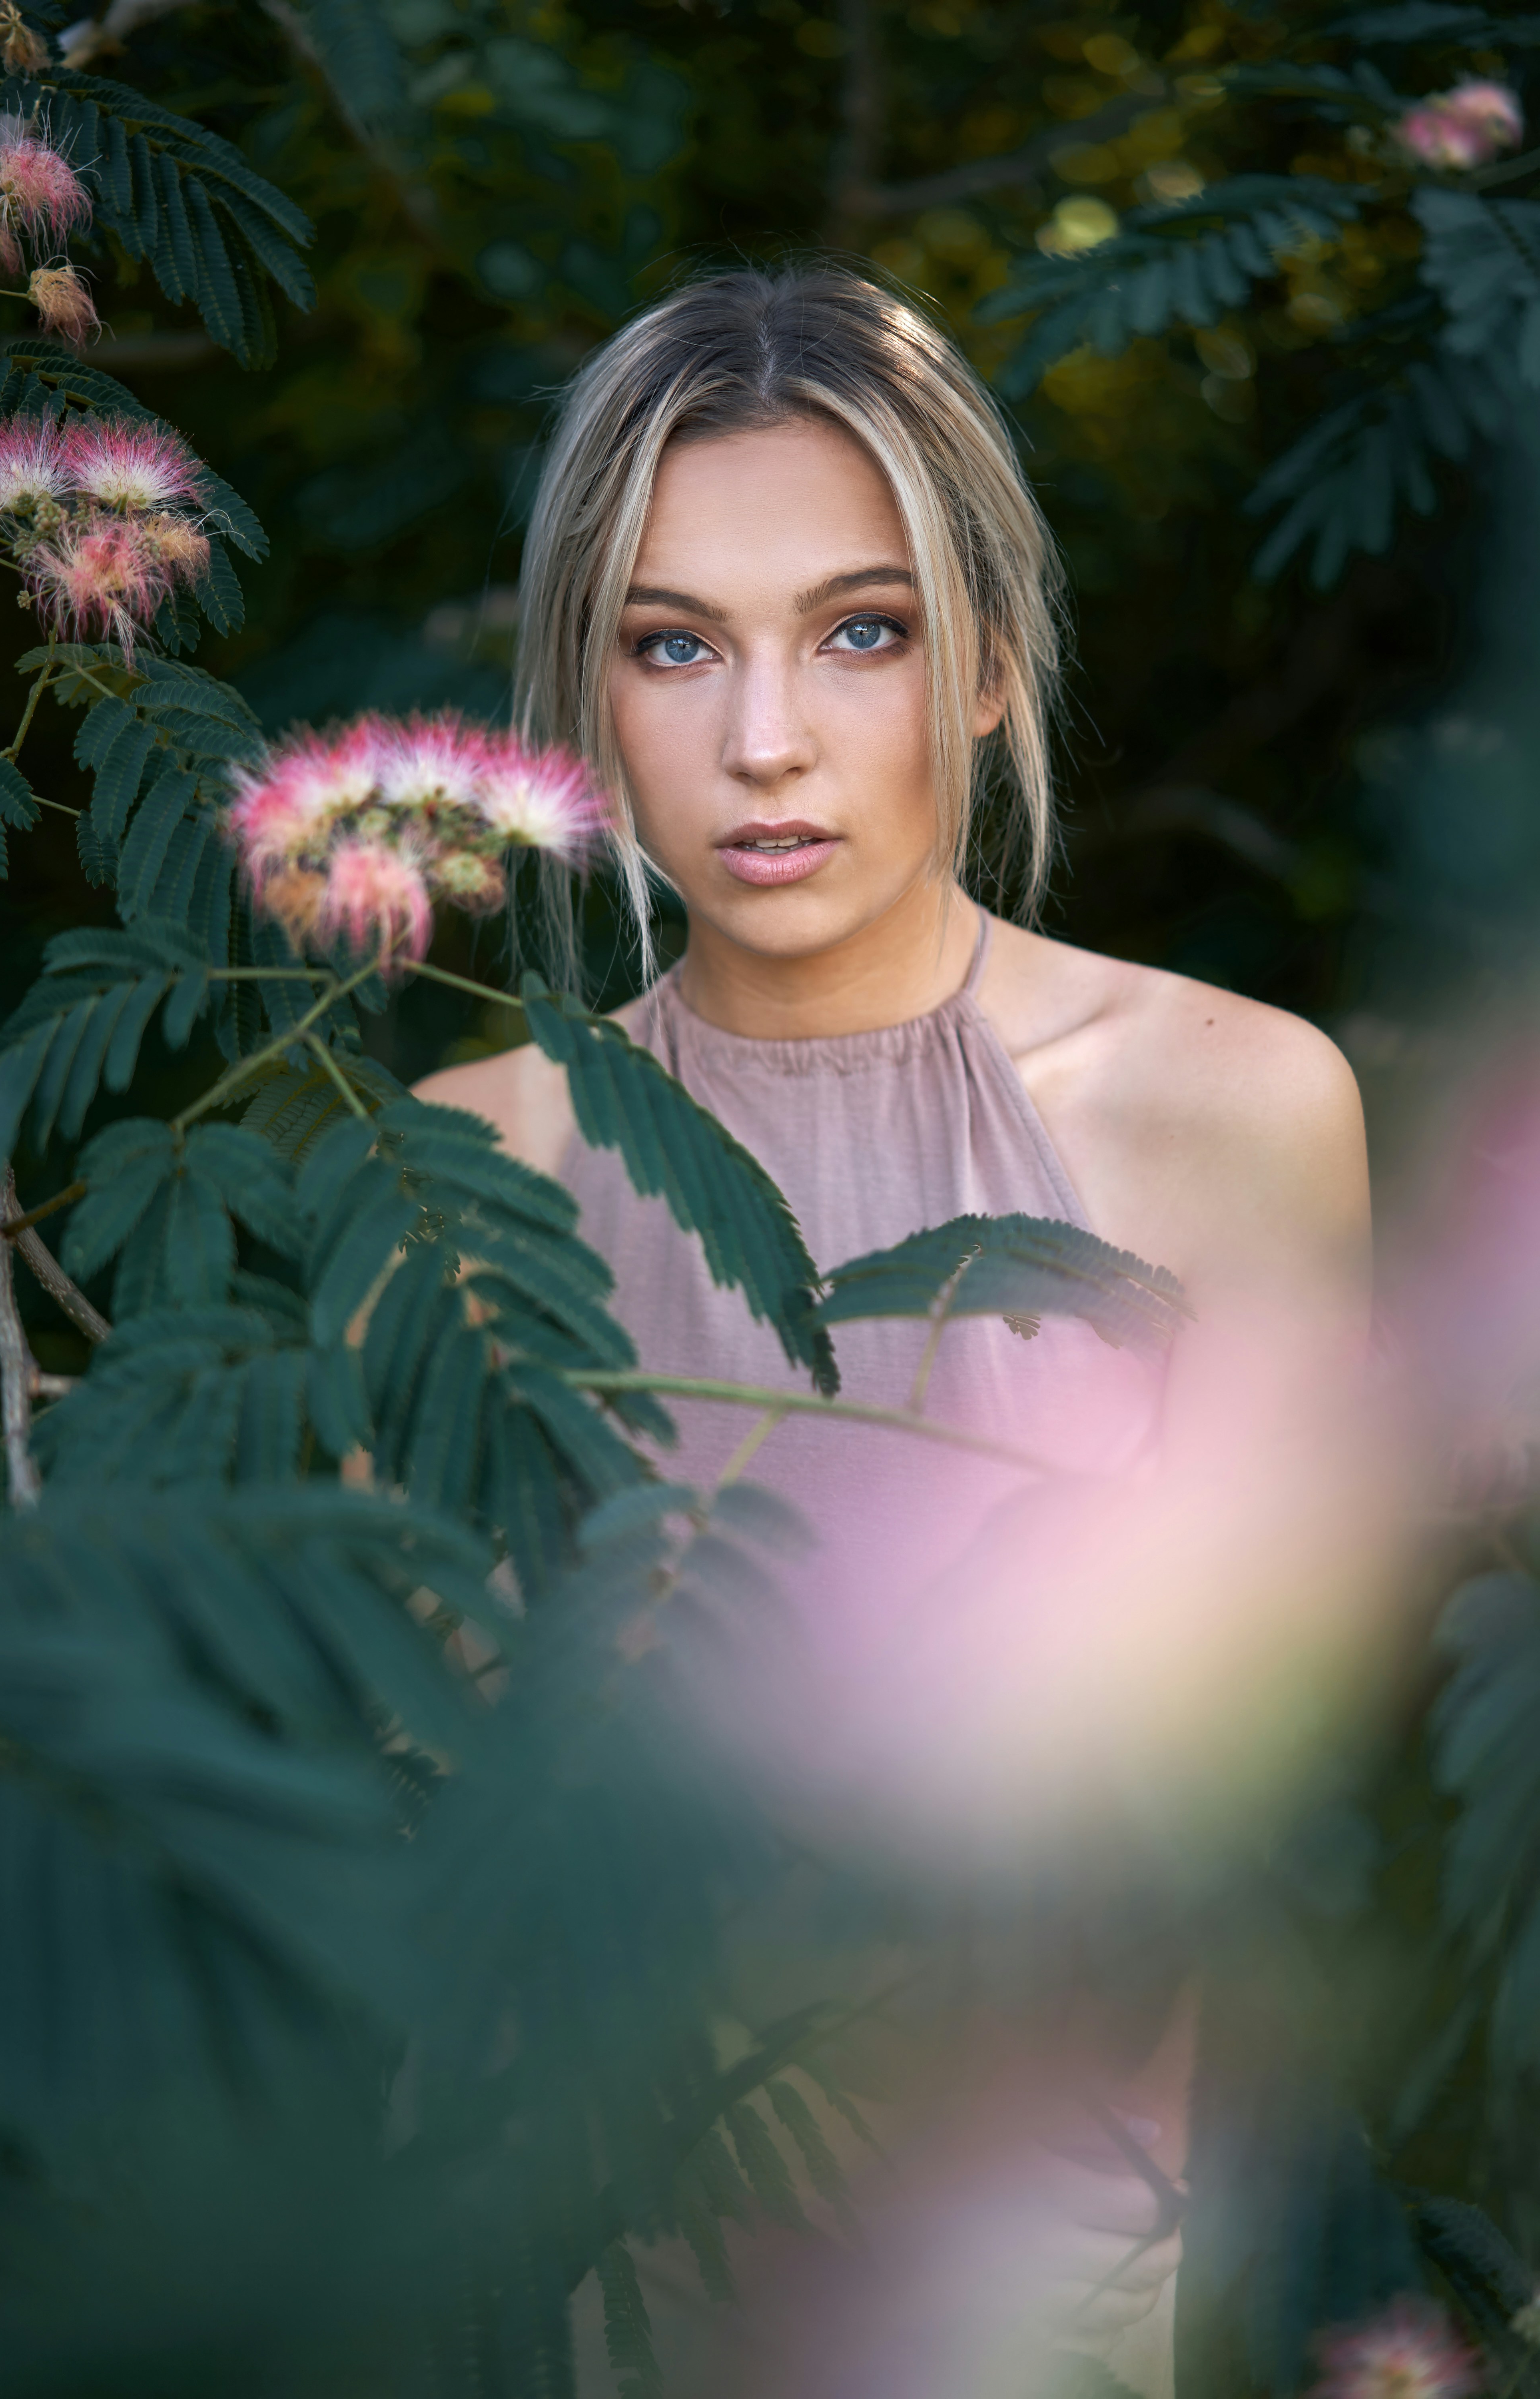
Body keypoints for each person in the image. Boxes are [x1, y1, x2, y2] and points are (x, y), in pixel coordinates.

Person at [417, 265, 1371, 2396]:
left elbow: (1280, 1822)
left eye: (864, 630)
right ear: (582, 690)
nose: (767, 740)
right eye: (675, 644)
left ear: (999, 659)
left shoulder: (1237, 1115)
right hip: (606, 2282)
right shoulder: (457, 1168)